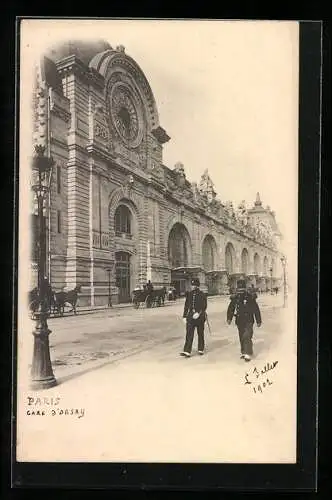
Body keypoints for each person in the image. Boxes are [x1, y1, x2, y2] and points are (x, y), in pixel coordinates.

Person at [226, 279, 262, 362]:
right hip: (239, 320)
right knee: (241, 336)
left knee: (247, 335)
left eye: (242, 289)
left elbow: (256, 309)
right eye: (239, 289)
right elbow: (231, 308)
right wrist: (229, 318)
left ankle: (247, 353)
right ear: (238, 288)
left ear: (245, 288)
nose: (240, 291)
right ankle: (244, 351)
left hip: (249, 319)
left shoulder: (250, 296)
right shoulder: (236, 297)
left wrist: (258, 320)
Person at [180, 278, 207, 357]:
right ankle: (187, 350)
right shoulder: (189, 294)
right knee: (189, 333)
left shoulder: (202, 294)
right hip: (190, 316)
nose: (193, 286)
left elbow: (204, 306)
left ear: (198, 286)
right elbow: (186, 306)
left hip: (199, 317)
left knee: (200, 333)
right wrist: (184, 316)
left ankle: (200, 348)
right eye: (192, 285)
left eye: (194, 285)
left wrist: (199, 313)